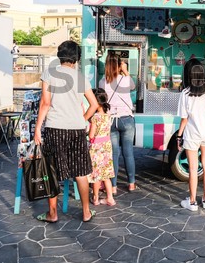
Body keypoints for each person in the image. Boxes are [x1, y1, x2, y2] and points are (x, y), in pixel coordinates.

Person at [34, 40, 99, 223]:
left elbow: (45, 103)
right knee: (80, 171)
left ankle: (52, 214)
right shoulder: (80, 77)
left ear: (60, 55)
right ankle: (86, 212)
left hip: (55, 128)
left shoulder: (50, 73)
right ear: (76, 58)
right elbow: (94, 104)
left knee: (52, 171)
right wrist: (82, 119)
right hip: (77, 129)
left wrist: (38, 128)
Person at [176, 59, 205, 211]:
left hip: (192, 134)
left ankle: (192, 202)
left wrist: (179, 136)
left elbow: (184, 119)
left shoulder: (185, 93)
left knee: (193, 168)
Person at [99, 50, 137, 194]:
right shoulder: (125, 79)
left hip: (111, 120)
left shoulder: (103, 81)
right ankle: (131, 184)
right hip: (126, 119)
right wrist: (125, 71)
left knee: (114, 154)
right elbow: (133, 86)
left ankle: (113, 187)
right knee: (128, 153)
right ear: (119, 65)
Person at [88, 88, 116, 207]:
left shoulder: (95, 118)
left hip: (97, 148)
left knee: (96, 176)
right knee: (106, 175)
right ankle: (110, 198)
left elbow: (91, 135)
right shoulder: (108, 116)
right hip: (107, 146)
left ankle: (95, 198)